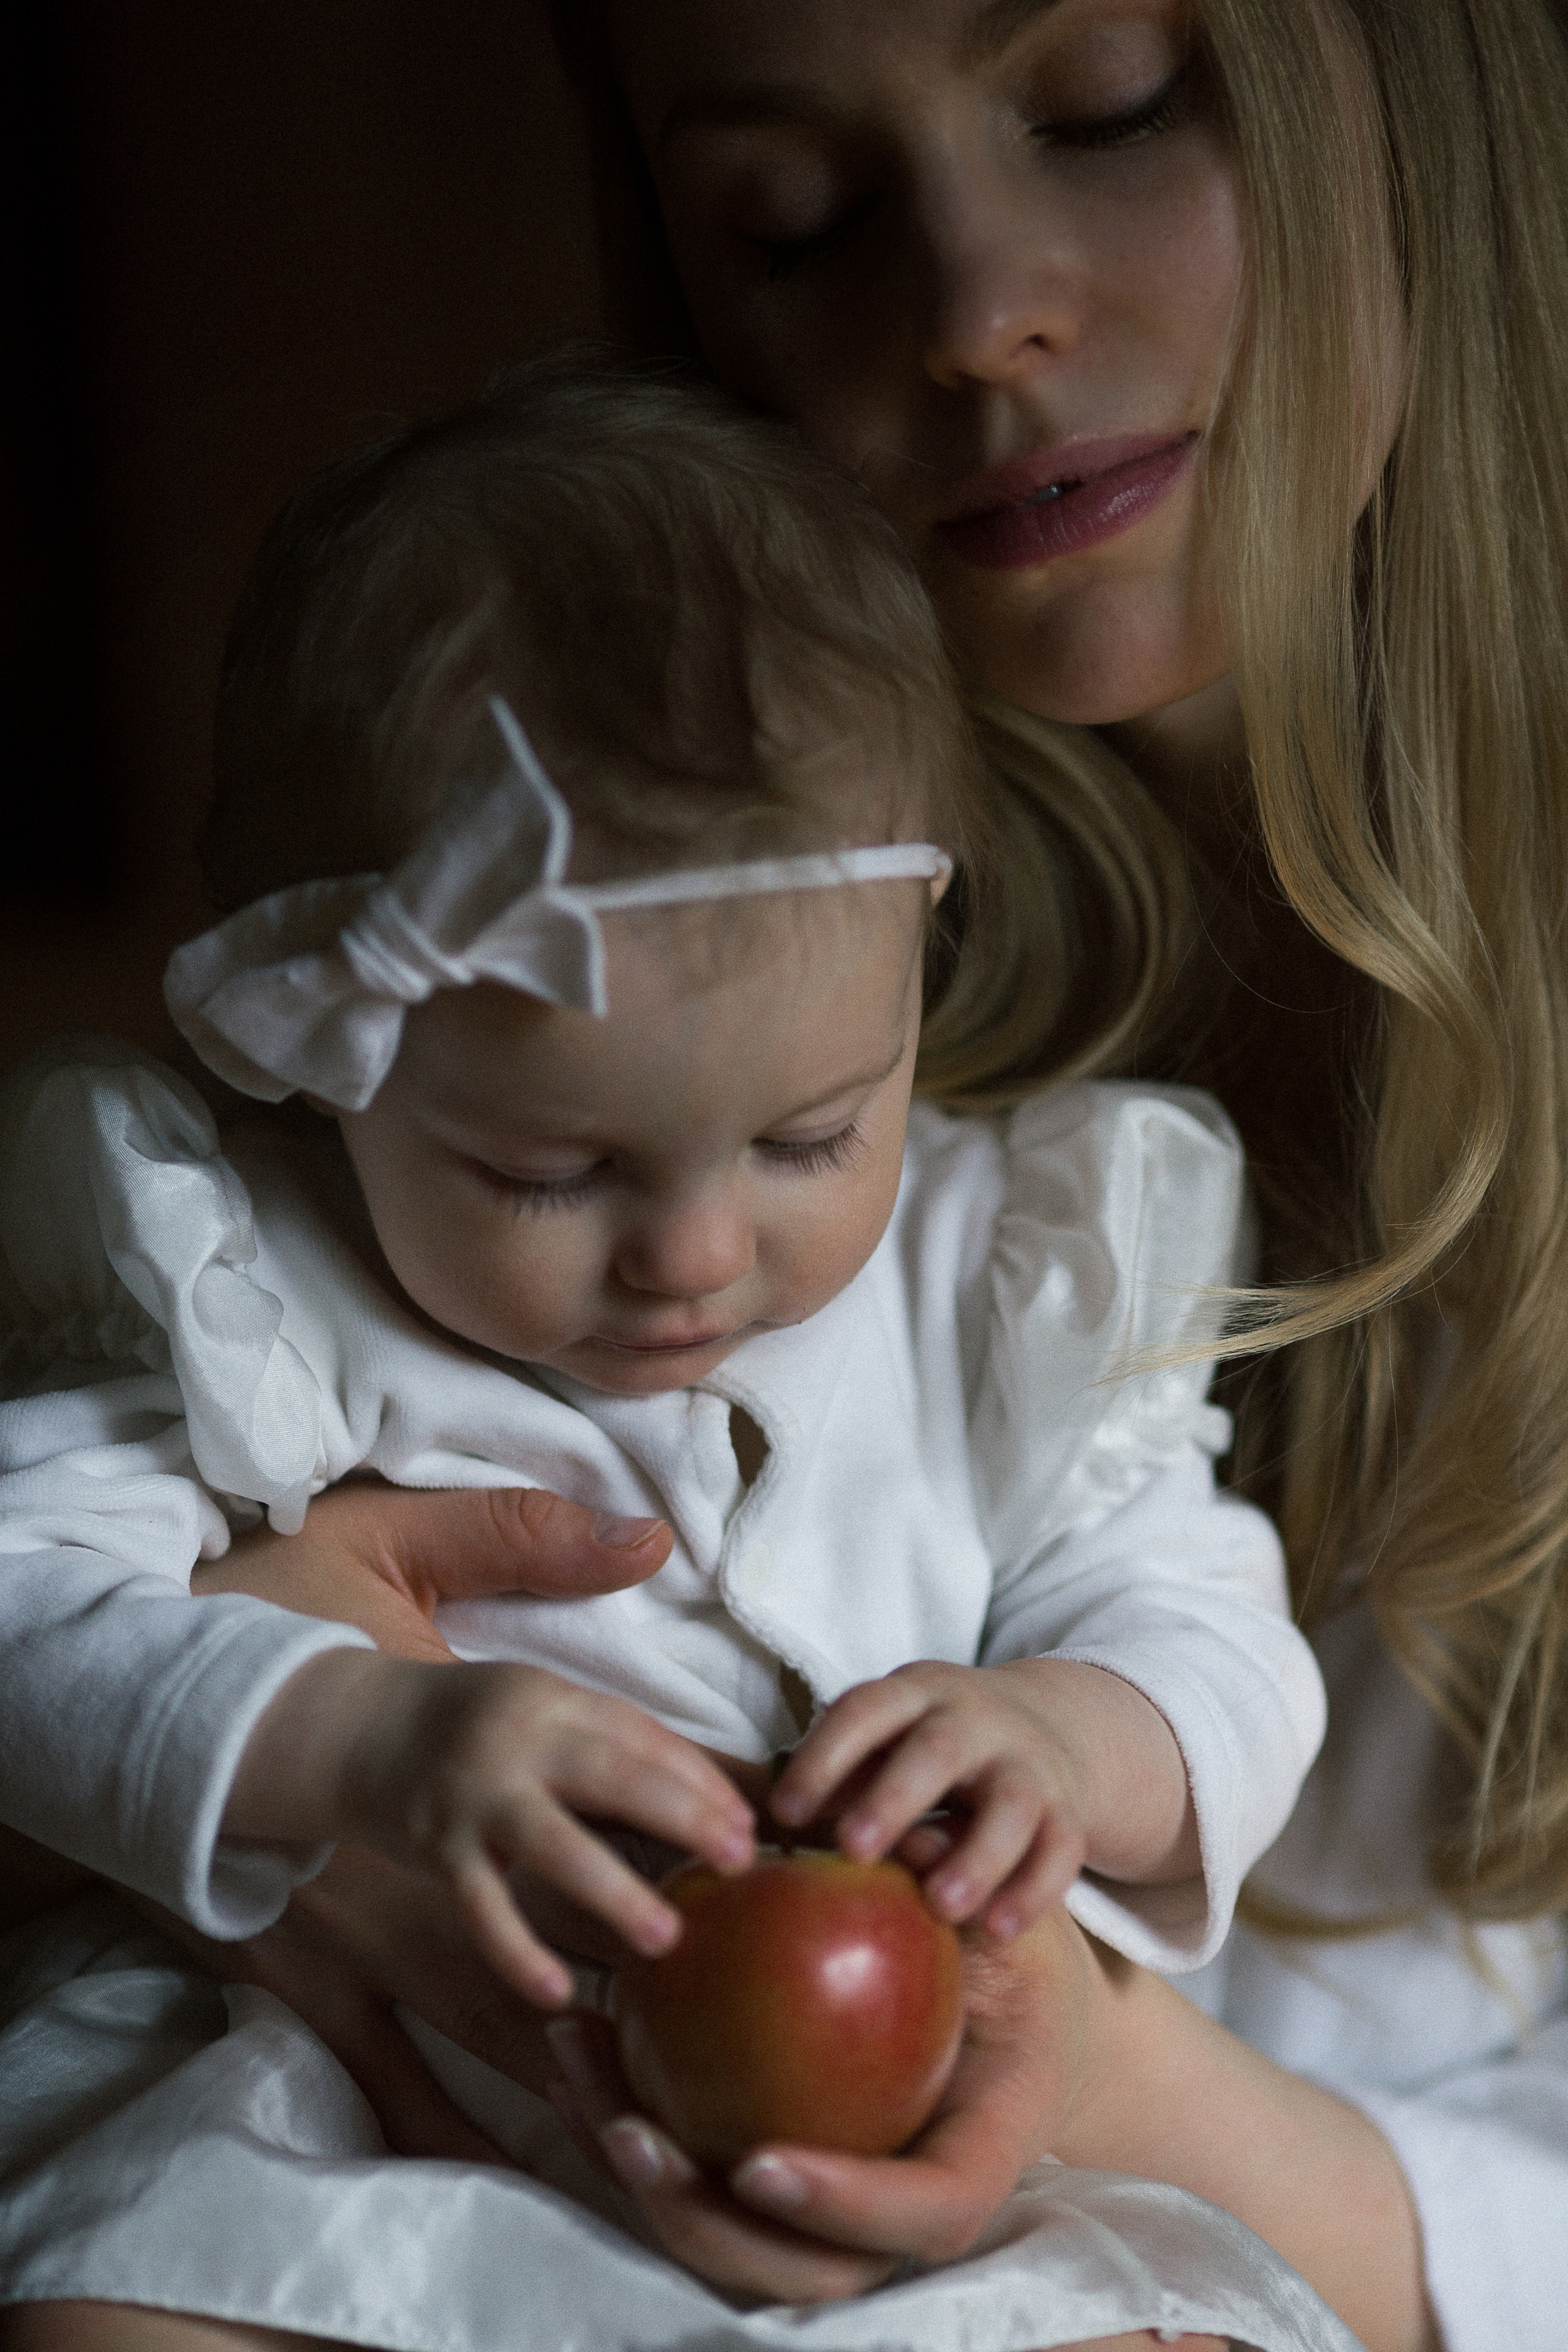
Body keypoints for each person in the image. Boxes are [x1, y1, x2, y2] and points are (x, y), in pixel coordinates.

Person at [6, 0, 1567, 2346]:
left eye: (1114, 96)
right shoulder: (426, 1117)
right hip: (362, 2165)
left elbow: (1185, 1625)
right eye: (791, 219)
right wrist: (308, 1730)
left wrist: (1080, 1955)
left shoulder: (1024, 1254)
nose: (971, 314)